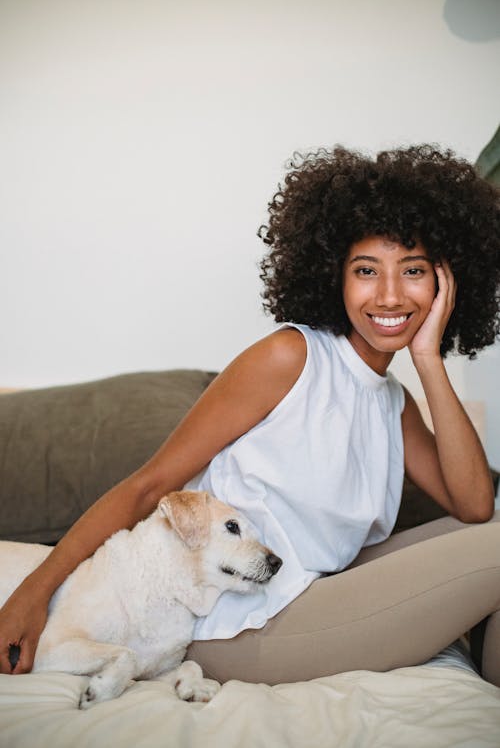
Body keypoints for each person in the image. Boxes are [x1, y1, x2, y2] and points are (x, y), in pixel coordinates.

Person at [1, 144, 499, 686]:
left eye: (413, 271)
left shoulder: (392, 400)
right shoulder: (291, 357)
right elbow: (150, 486)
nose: (388, 294)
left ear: (444, 284)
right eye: (365, 270)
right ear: (334, 274)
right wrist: (30, 597)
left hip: (322, 590)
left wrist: (427, 357)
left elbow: (474, 506)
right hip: (244, 620)